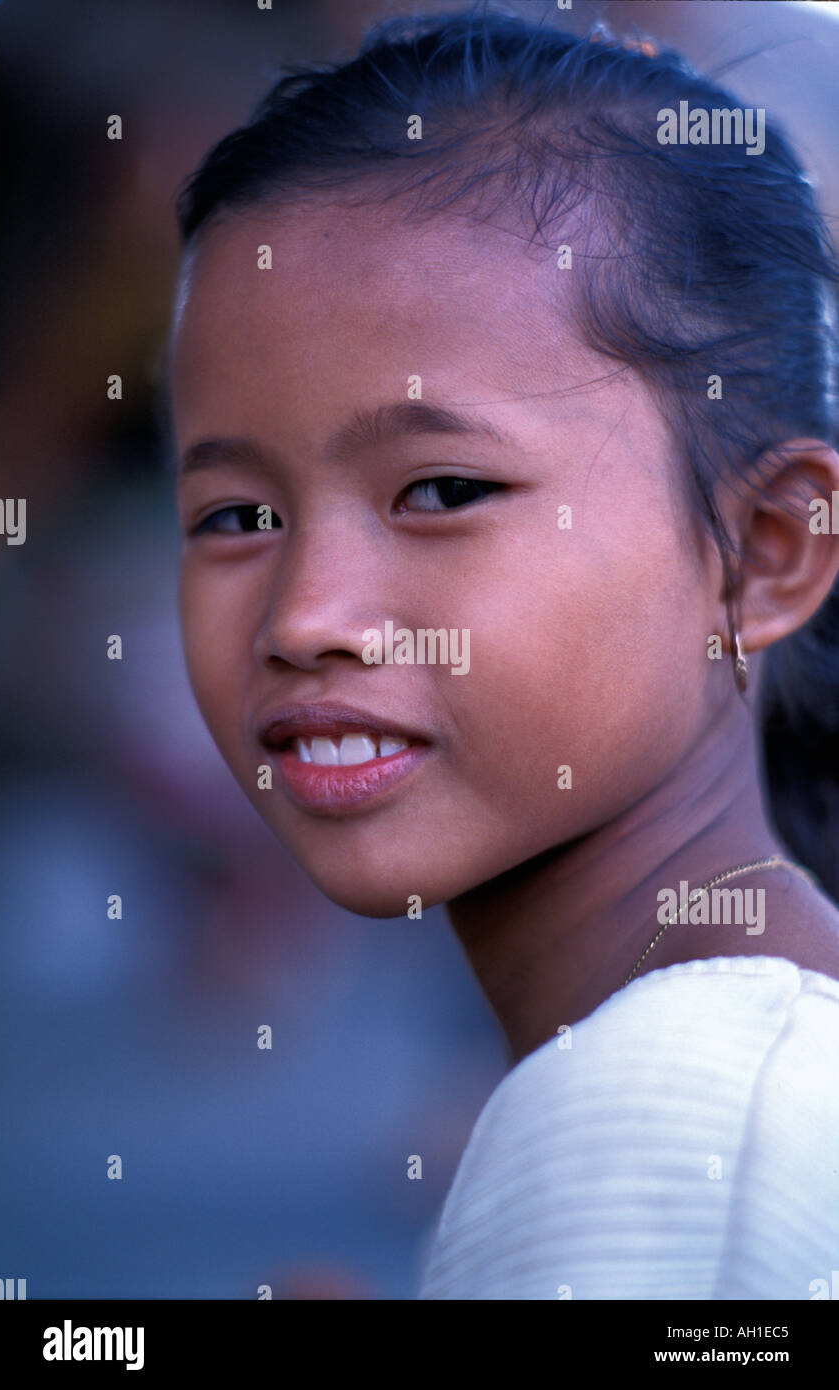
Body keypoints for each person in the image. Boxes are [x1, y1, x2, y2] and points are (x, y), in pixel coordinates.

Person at [168, 6, 839, 1298]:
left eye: (443, 490)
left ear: (762, 550)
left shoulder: (670, 1116)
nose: (307, 616)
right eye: (237, 516)